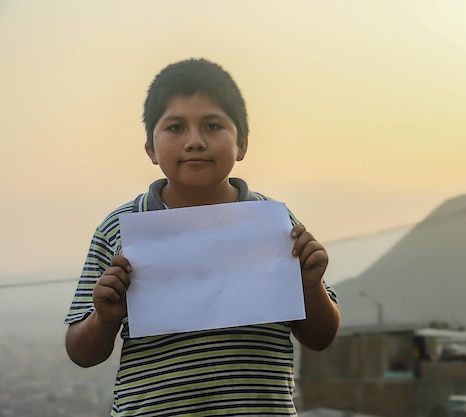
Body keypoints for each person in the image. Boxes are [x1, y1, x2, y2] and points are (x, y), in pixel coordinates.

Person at [64, 58, 340, 416]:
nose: (194, 142)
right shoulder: (119, 228)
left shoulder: (275, 224)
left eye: (212, 126)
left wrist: (309, 285)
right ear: (150, 148)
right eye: (176, 127)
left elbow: (321, 337)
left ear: (241, 144)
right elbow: (80, 352)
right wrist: (104, 318)